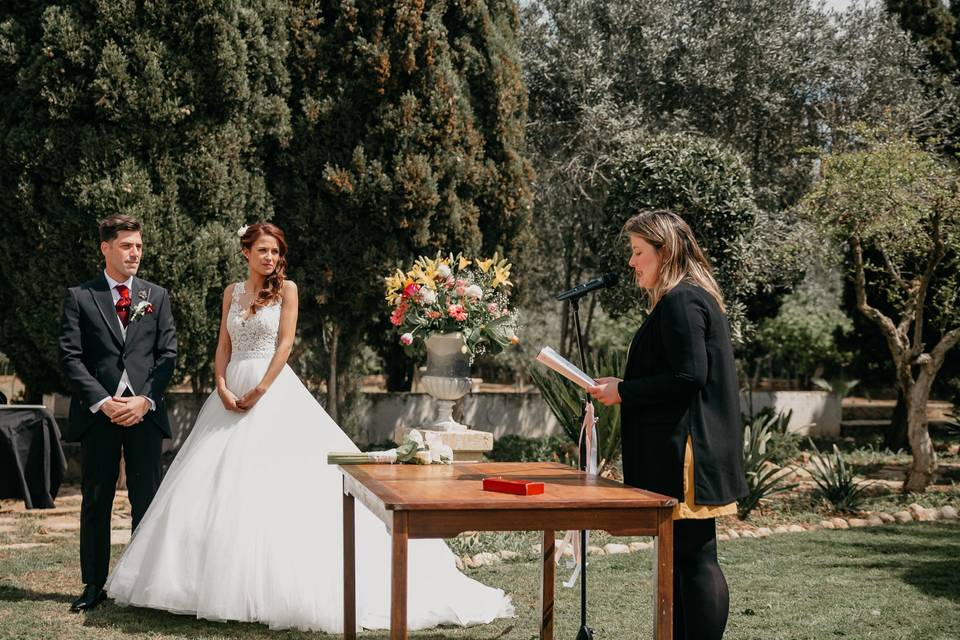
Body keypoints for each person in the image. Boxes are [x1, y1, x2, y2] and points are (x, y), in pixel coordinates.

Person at [105, 222, 513, 632]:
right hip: (229, 394)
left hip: (272, 388)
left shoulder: (288, 290)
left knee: (281, 486)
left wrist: (261, 389)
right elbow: (223, 346)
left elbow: (284, 344)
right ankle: (196, 585)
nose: (270, 258)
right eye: (263, 251)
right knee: (213, 486)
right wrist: (223, 386)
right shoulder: (231, 293)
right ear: (246, 252)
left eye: (276, 252)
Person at [588, 209, 747, 640]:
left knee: (696, 557)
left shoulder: (682, 300)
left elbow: (689, 376)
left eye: (639, 252)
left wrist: (625, 391)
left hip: (688, 451)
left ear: (666, 251)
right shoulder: (683, 299)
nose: (632, 262)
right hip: (683, 446)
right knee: (683, 557)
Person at [58, 215, 178, 612]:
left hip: (144, 413)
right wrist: (103, 401)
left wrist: (145, 400)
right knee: (96, 500)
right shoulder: (80, 296)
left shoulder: (156, 296)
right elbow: (70, 357)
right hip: (100, 415)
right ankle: (94, 585)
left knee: (147, 501)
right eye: (127, 246)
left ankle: (144, 588)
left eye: (139, 246)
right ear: (105, 248)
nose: (135, 253)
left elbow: (167, 356)